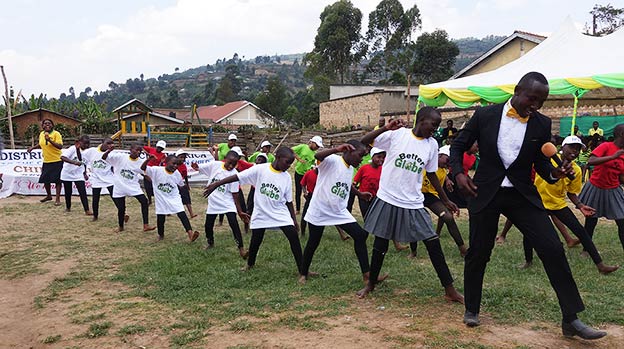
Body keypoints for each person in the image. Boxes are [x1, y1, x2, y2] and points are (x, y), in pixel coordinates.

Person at [450, 72, 605, 340]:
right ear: (518, 90)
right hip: (485, 191)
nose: (536, 106)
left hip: (522, 194)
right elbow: (457, 146)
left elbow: (541, 163)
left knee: (553, 248)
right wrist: (459, 174)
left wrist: (555, 174)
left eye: (541, 101)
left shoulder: (541, 123)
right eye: (532, 98)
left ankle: (571, 319)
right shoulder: (485, 115)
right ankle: (472, 308)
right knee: (479, 252)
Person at [356, 107, 463, 304]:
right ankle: (370, 284)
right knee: (380, 244)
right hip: (388, 197)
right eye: (433, 124)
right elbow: (364, 141)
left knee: (433, 242)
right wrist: (385, 127)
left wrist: (445, 199)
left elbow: (431, 174)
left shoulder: (432, 145)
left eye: (438, 126)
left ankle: (450, 290)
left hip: (413, 201)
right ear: (421, 120)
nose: (435, 129)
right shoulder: (397, 135)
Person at [521, 136, 618, 274]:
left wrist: (580, 205)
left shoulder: (576, 170)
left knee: (581, 232)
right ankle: (528, 261)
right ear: (562, 147)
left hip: (558, 204)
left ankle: (601, 265)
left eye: (578, 149)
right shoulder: (547, 161)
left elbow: (571, 193)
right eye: (572, 147)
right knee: (529, 233)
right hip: (538, 202)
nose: (575, 151)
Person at [203, 147, 304, 276]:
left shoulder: (286, 177)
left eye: (290, 163)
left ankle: (302, 270)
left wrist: (294, 221)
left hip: (280, 213)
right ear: (278, 158)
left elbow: (289, 201)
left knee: (293, 237)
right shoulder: (260, 169)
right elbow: (237, 177)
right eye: (286, 162)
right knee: (256, 240)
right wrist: (216, 184)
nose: (288, 166)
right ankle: (250, 264)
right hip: (261, 213)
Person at [300, 140, 380, 285]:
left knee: (360, 235)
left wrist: (359, 194)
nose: (361, 159)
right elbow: (318, 155)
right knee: (313, 241)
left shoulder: (350, 169)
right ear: (349, 151)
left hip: (339, 211)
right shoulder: (333, 161)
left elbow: (346, 184)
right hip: (320, 209)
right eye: (360, 155)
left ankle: (367, 275)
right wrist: (336, 149)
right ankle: (303, 273)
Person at [410, 145, 467, 258]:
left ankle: (463, 249)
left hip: (431, 196)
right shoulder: (426, 161)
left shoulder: (443, 170)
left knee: (448, 217)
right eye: (447, 160)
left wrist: (447, 179)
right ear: (439, 156)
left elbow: (441, 175)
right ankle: (413, 251)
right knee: (413, 221)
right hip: (416, 194)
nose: (448, 164)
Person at [192, 151, 249, 259]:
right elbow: (199, 167)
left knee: (234, 224)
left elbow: (235, 194)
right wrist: (196, 166)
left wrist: (239, 211)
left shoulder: (234, 174)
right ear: (225, 159)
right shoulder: (215, 165)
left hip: (227, 203)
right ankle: (210, 242)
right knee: (208, 225)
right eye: (230, 163)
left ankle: (241, 249)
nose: (231, 166)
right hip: (213, 202)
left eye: (234, 164)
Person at [579, 123, 624, 254]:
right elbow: (591, 161)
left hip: (613, 189)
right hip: (596, 187)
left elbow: (621, 177)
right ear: (622, 134)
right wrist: (612, 157)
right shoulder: (606, 146)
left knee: (622, 221)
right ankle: (586, 250)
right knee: (591, 220)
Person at [141, 154, 199, 242]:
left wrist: (186, 189)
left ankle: (190, 234)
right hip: (161, 198)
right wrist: (148, 160)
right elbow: (143, 168)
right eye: (173, 164)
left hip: (174, 197)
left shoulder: (177, 174)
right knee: (161, 218)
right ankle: (161, 235)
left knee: (182, 214)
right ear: (166, 162)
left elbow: (180, 184)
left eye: (177, 164)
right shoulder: (156, 170)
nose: (175, 166)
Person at [102, 143, 156, 233]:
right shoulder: (121, 157)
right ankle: (120, 226)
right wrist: (109, 151)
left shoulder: (140, 162)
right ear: (130, 149)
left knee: (144, 201)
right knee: (121, 208)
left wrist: (153, 182)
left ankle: (146, 225)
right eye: (136, 150)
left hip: (133, 186)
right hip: (119, 186)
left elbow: (144, 174)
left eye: (140, 151)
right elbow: (104, 158)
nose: (138, 152)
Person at [27, 119, 63, 205]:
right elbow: (41, 144)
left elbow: (60, 146)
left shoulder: (56, 134)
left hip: (57, 160)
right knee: (46, 179)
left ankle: (57, 199)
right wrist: (32, 148)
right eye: (45, 124)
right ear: (42, 126)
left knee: (57, 180)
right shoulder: (42, 134)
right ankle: (49, 196)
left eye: (49, 123)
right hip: (46, 160)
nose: (47, 125)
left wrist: (50, 140)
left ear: (52, 125)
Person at [83, 138, 115, 221]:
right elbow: (83, 159)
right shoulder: (92, 151)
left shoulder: (111, 154)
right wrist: (84, 172)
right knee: (95, 198)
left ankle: (123, 213)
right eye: (108, 143)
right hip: (96, 178)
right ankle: (95, 216)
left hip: (108, 178)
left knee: (115, 196)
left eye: (111, 144)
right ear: (102, 143)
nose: (110, 145)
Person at [60, 135, 92, 215]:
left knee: (82, 192)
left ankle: (87, 210)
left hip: (78, 174)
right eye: (85, 143)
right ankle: (68, 207)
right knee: (68, 192)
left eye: (88, 144)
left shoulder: (88, 152)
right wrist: (74, 162)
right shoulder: (72, 149)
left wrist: (85, 173)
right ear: (79, 142)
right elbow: (63, 157)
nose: (86, 146)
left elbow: (84, 163)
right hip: (67, 173)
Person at [292, 136, 323, 213]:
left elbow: (314, 164)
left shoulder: (315, 154)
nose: (317, 148)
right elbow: (291, 150)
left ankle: (310, 206)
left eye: (319, 147)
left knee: (309, 191)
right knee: (298, 191)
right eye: (317, 145)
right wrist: (298, 159)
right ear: (312, 142)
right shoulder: (303, 147)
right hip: (299, 172)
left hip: (307, 175)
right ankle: (298, 209)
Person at [143, 140, 167, 205]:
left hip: (155, 171)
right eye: (159, 147)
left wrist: (162, 162)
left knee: (155, 186)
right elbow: (143, 147)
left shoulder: (163, 155)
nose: (159, 149)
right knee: (147, 186)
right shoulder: (151, 149)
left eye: (161, 148)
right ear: (156, 146)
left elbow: (163, 163)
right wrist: (148, 154)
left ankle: (158, 199)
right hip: (148, 170)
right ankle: (150, 200)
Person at [246, 153, 269, 219]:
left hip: (261, 190)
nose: (258, 162)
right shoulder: (253, 167)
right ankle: (247, 222)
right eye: (258, 160)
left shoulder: (265, 170)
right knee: (250, 205)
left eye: (260, 161)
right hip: (253, 189)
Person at [175, 149, 197, 219]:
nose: (183, 159)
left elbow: (185, 176)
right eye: (181, 157)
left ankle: (191, 213)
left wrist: (187, 185)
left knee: (187, 198)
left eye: (184, 157)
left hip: (181, 184)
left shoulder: (183, 166)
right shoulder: (173, 165)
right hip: (173, 184)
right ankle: (167, 212)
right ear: (177, 157)